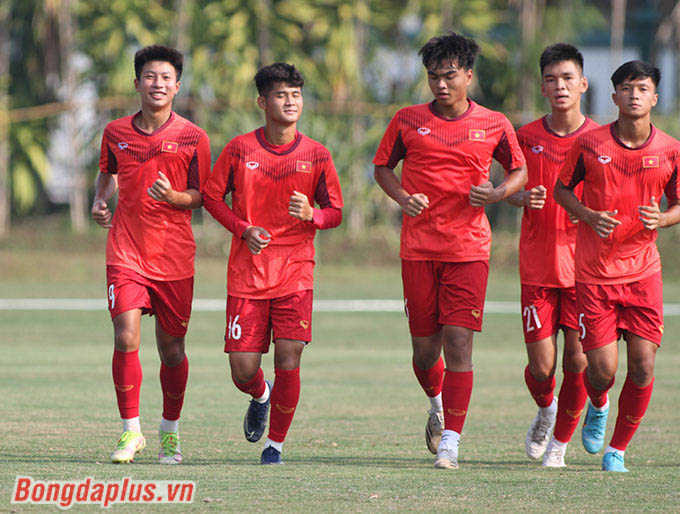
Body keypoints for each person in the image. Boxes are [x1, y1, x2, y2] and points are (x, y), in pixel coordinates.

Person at [373, 32, 527, 469]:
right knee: (425, 353)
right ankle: (436, 402)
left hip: (468, 249)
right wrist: (403, 198)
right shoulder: (407, 119)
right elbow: (382, 167)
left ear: (469, 76)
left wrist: (496, 194)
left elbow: (519, 169)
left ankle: (451, 443)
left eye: (450, 76)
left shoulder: (495, 123)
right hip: (419, 249)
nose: (441, 85)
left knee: (459, 345)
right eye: (433, 76)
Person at [202, 63, 343, 465]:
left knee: (289, 357)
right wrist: (243, 228)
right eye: (281, 95)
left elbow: (335, 211)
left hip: (296, 272)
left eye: (296, 94)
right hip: (247, 275)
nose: (291, 101)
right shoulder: (239, 148)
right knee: (242, 370)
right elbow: (212, 198)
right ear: (263, 102)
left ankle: (275, 446)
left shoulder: (317, 154)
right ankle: (260, 395)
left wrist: (312, 216)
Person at [554, 60, 680, 472]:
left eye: (642, 88)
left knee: (643, 365)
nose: (634, 95)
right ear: (614, 97)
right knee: (602, 371)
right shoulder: (589, 144)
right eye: (626, 88)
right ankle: (599, 402)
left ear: (654, 97)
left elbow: (678, 204)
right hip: (594, 275)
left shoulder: (670, 149)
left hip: (644, 273)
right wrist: (588, 215)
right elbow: (560, 190)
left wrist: (662, 219)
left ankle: (617, 450)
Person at [91, 45, 211, 464]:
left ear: (177, 86)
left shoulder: (194, 136)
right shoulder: (115, 131)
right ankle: (130, 431)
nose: (157, 84)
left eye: (165, 78)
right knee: (125, 336)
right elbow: (106, 174)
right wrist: (99, 201)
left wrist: (177, 196)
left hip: (174, 257)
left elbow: (203, 196)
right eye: (149, 76)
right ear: (136, 83)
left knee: (172, 350)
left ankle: (170, 432)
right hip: (125, 252)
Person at [506, 43, 597, 467]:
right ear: (542, 87)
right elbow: (505, 192)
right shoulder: (525, 136)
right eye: (550, 79)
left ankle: (559, 444)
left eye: (567, 78)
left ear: (582, 83)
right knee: (542, 368)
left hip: (585, 271)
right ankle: (546, 409)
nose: (559, 86)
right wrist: (521, 196)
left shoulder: (600, 141)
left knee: (578, 359)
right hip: (538, 267)